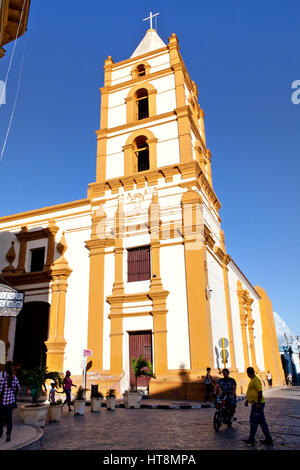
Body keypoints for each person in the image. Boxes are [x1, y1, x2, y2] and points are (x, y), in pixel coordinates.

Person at [242, 366, 273, 446]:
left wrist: (258, 404)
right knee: (262, 422)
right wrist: (247, 400)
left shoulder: (256, 380)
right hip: (255, 403)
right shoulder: (252, 380)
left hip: (257, 404)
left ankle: (251, 439)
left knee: (253, 421)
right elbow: (252, 392)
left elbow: (260, 392)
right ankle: (268, 439)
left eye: (247, 373)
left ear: (249, 373)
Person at [0, 361, 20, 442]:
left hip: (2, 402)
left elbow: (0, 390)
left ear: (5, 369)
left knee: (1, 418)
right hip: (11, 402)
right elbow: (18, 388)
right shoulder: (14, 378)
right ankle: (8, 434)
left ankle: (0, 432)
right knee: (9, 418)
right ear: (11, 369)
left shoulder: (2, 378)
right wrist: (12, 393)